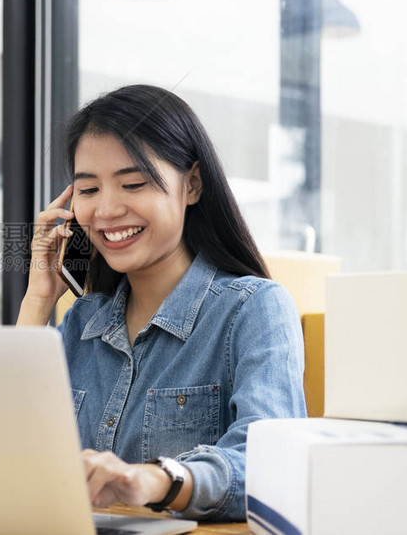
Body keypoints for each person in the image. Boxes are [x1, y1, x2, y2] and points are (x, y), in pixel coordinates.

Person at [16, 84, 306, 521]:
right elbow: (8, 452)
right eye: (88, 190)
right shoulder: (81, 322)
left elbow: (270, 466)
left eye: (133, 183)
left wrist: (155, 480)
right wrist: (38, 299)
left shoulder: (254, 309)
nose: (107, 210)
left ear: (191, 184)